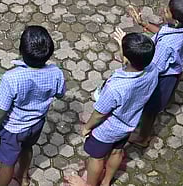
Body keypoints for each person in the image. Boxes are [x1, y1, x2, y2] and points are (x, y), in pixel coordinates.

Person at [67, 32, 157, 186]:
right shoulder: (152, 70)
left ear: (127, 58)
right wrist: (124, 45)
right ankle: (106, 181)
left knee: (96, 157)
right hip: (128, 124)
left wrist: (87, 127)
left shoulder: (115, 87)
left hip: (107, 130)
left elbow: (100, 114)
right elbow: (130, 64)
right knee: (117, 151)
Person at [0, 26, 65, 186]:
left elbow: (1, 111)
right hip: (36, 124)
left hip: (13, 129)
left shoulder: (11, 78)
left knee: (8, 162)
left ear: (21, 51)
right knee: (27, 149)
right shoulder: (56, 73)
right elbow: (60, 94)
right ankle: (23, 177)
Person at [125, 0, 183, 147]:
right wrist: (144, 24)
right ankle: (168, 102)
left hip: (162, 77)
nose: (164, 11)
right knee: (167, 95)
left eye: (167, 11)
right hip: (174, 70)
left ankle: (143, 138)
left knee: (150, 110)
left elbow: (155, 67)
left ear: (176, 20)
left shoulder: (166, 45)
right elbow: (162, 31)